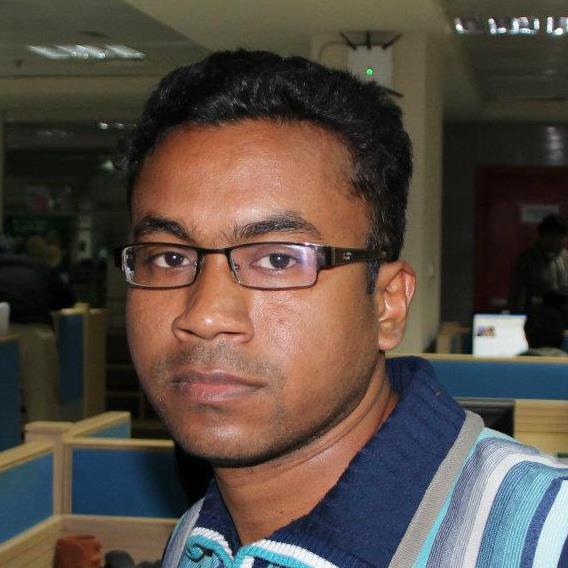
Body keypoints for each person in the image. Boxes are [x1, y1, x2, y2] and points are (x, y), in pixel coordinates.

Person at [116, 51, 568, 568]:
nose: (204, 315)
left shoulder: (548, 541)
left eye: (279, 259)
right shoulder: (196, 539)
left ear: (387, 304)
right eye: (169, 258)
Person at [0, 234, 75, 421]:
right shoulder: (40, 268)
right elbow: (67, 299)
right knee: (40, 395)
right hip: (34, 330)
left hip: (2, 328)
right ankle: (42, 436)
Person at [509, 213, 568, 314]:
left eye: (563, 238)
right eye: (556, 237)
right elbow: (517, 297)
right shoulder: (527, 260)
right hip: (538, 318)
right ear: (544, 236)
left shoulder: (565, 257)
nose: (560, 242)